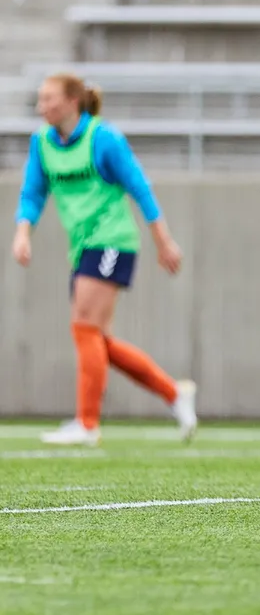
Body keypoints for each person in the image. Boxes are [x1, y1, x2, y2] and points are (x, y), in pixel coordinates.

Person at [11, 73, 198, 446]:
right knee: (98, 341)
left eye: (48, 99)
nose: (40, 106)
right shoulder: (42, 143)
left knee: (83, 328)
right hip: (81, 248)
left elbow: (139, 187)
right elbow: (33, 192)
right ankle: (175, 393)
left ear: (71, 102)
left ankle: (87, 424)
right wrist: (22, 233)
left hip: (112, 240)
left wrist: (164, 241)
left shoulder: (103, 138)